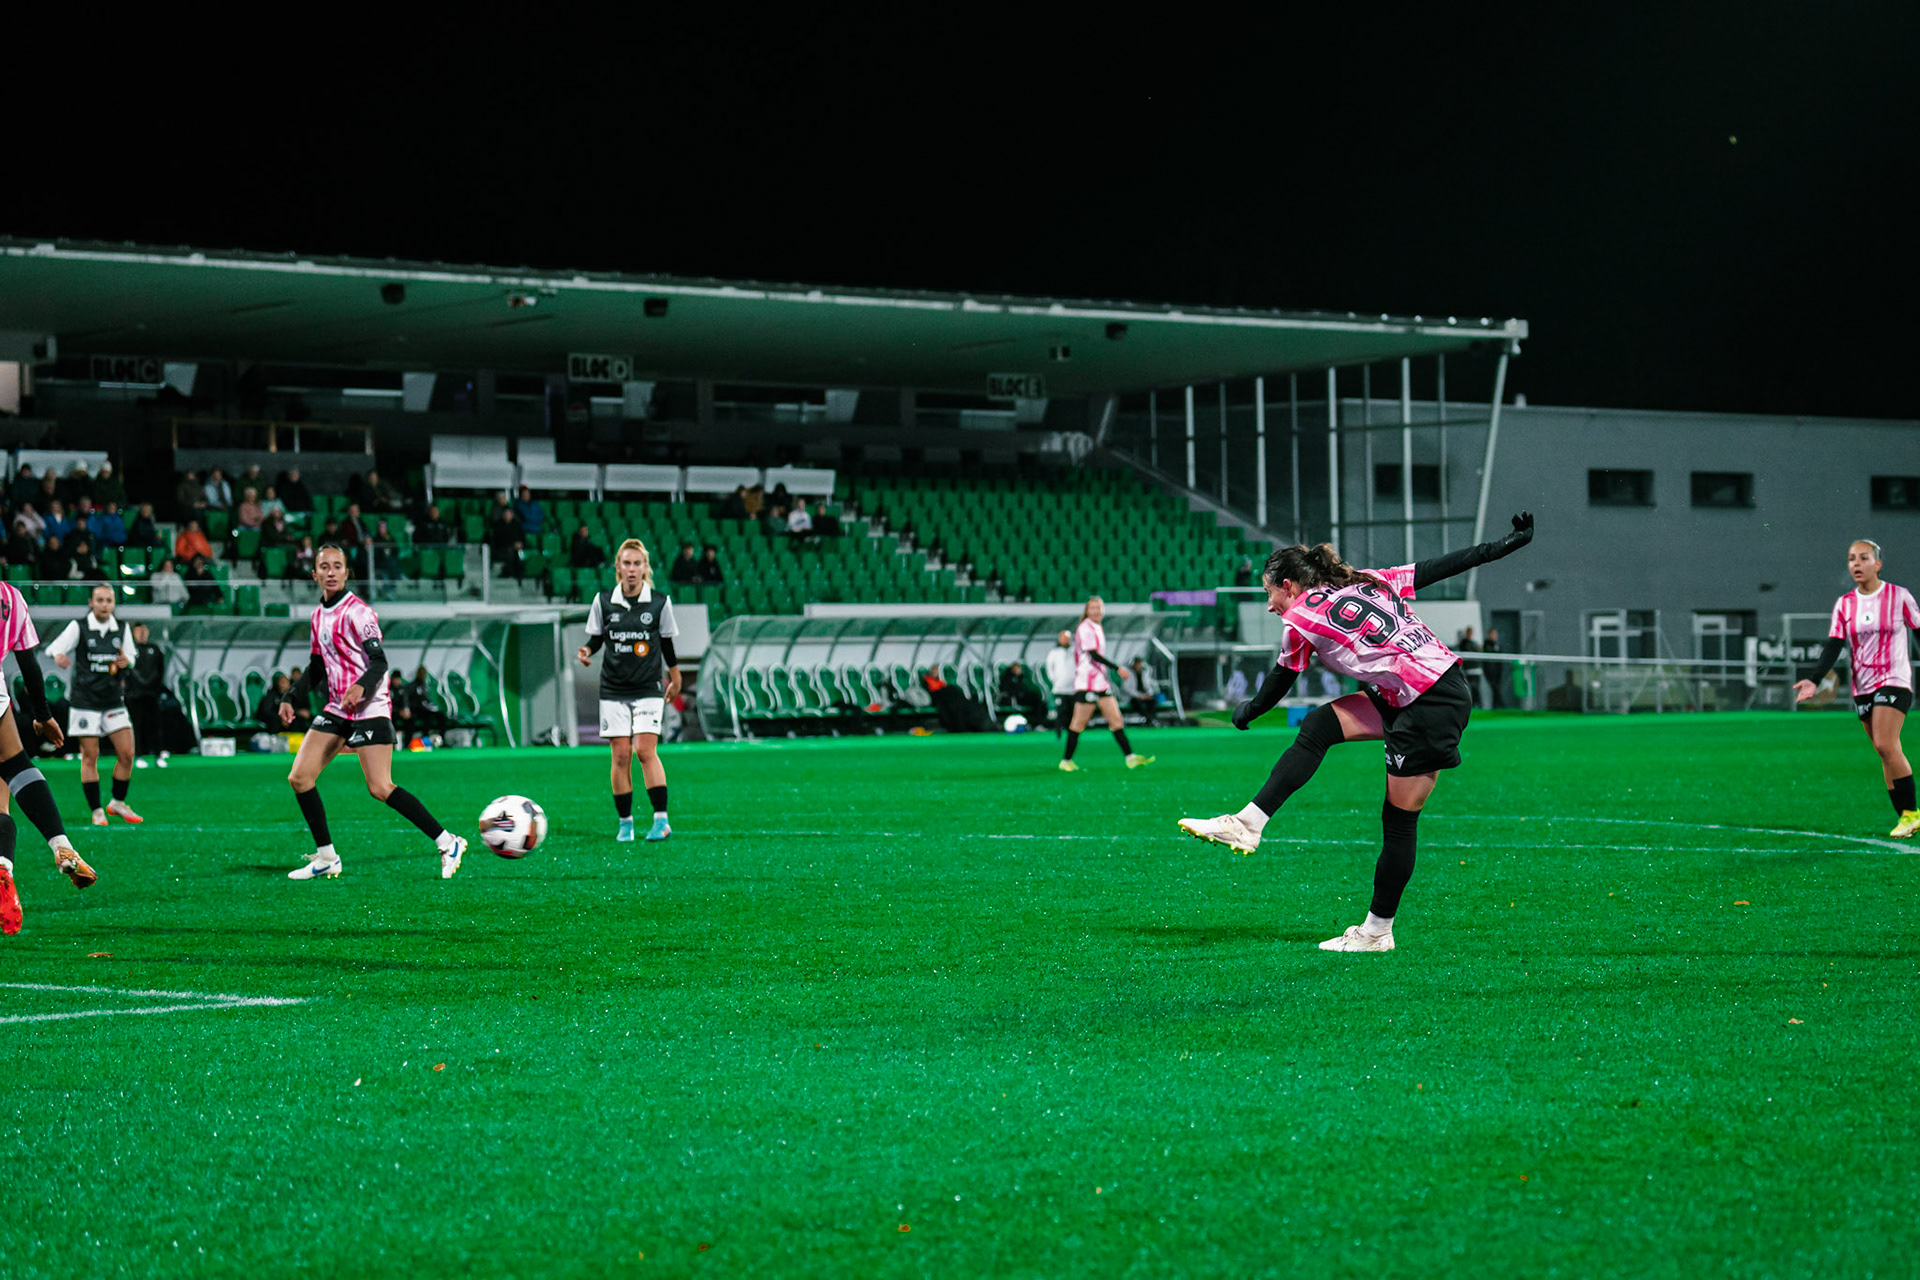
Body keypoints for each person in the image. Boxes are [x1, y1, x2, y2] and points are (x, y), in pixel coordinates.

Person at [1176, 513, 1536, 953]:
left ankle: (1376, 933)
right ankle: (1248, 823)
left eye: (1269, 593)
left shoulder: (1301, 616)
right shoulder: (1366, 579)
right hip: (1423, 689)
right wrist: (1502, 546)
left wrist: (1247, 711)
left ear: (1288, 585)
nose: (1270, 605)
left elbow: (1282, 676)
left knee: (1398, 822)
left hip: (1426, 704)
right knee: (1319, 725)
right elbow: (1439, 567)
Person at [276, 543, 469, 880]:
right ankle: (327, 858)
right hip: (338, 708)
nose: (331, 572)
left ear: (347, 573)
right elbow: (317, 666)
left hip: (370, 707)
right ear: (314, 574)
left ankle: (447, 842)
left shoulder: (359, 612)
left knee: (380, 787)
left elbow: (379, 662)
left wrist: (361, 687)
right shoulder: (318, 616)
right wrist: (291, 696)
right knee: (300, 778)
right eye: (325, 567)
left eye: (338, 566)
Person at [1793, 539, 1920, 838]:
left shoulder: (1899, 596)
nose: (1856, 564)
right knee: (1884, 751)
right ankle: (1907, 816)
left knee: (1886, 744)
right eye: (1852, 559)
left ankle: (1911, 813)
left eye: (1863, 558)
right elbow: (1834, 644)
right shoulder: (1845, 604)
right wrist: (1814, 678)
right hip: (1862, 685)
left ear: (1878, 564)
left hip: (1894, 679)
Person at [0, 577, 97, 935]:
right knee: (14, 767)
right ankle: (58, 846)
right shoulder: (11, 598)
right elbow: (29, 665)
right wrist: (42, 715)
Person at [577, 538, 681, 843]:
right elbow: (597, 638)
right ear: (618, 567)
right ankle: (625, 824)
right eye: (626, 563)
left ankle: (661, 821)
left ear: (645, 567)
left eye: (637, 563)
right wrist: (587, 650)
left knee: (645, 751)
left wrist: (675, 677)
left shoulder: (660, 602)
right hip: (613, 688)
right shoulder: (603, 601)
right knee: (620, 755)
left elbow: (667, 643)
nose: (632, 569)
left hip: (648, 687)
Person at [46, 584, 143, 826]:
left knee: (127, 754)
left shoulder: (122, 628)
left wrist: (127, 660)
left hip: (113, 700)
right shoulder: (79, 626)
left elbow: (132, 657)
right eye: (99, 600)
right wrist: (58, 655)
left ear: (114, 603)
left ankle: (117, 802)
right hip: (85, 701)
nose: (104, 605)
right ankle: (97, 810)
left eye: (108, 600)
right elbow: (53, 648)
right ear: (91, 602)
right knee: (90, 756)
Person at [1059, 597, 1153, 772]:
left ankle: (1130, 758)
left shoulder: (1097, 627)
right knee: (1078, 723)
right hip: (1086, 683)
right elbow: (1093, 655)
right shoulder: (1085, 627)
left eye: (1098, 608)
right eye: (1092, 608)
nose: (1096, 611)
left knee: (1116, 720)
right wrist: (1117, 668)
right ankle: (1066, 761)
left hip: (1100, 682)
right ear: (1087, 611)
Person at [125, 622, 168, 768]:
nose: (141, 634)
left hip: (152, 695)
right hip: (135, 695)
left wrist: (156, 689)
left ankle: (158, 754)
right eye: (138, 632)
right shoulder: (129, 650)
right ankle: (139, 755)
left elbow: (160, 670)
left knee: (155, 726)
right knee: (137, 727)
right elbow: (126, 672)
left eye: (143, 631)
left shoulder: (155, 649)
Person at [1044, 629, 1076, 736]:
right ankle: (1058, 731)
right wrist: (1055, 680)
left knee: (1072, 711)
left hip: (1073, 688)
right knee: (1061, 711)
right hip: (1060, 688)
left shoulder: (1074, 652)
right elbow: (1049, 668)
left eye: (1067, 638)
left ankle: (1071, 732)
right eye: (1063, 638)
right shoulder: (1054, 653)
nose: (1065, 640)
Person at [1124, 657, 1162, 724]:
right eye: (1137, 664)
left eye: (1139, 664)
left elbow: (1148, 686)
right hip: (1134, 697)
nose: (1138, 666)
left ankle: (1151, 719)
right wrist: (1139, 695)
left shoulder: (1144, 674)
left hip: (1144, 696)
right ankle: (1148, 718)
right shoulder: (1128, 674)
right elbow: (1126, 688)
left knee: (1152, 702)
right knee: (1138, 704)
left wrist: (1149, 694)